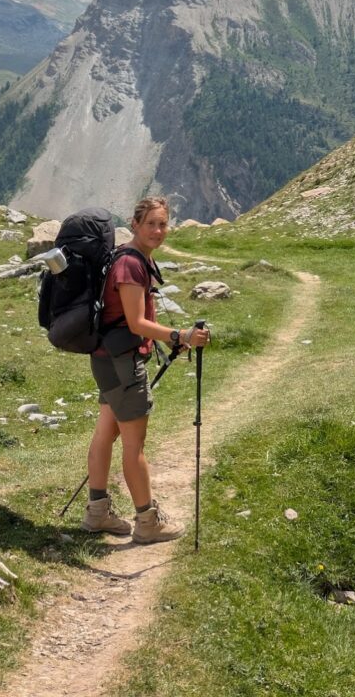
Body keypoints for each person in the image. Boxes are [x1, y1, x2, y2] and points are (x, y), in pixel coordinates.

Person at [81, 196, 210, 543]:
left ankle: (97, 513)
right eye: (151, 223)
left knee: (105, 433)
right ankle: (147, 521)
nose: (157, 230)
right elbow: (136, 323)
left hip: (109, 360)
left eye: (163, 224)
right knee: (135, 446)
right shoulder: (131, 265)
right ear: (135, 224)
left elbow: (132, 320)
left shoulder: (130, 258)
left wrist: (168, 339)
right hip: (122, 364)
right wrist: (179, 335)